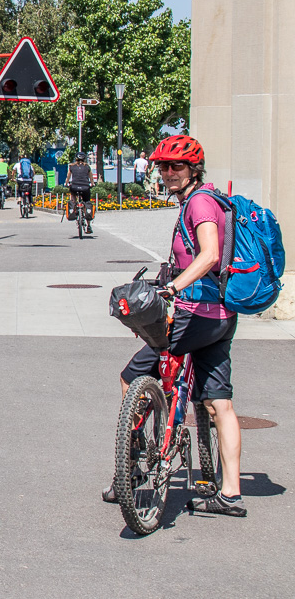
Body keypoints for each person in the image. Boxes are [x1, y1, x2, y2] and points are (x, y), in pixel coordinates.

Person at [103, 135, 245, 517]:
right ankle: (230, 494)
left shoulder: (199, 203)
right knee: (219, 403)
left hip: (195, 313)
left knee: (131, 377)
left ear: (193, 170)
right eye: (163, 166)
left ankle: (131, 468)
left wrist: (173, 287)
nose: (168, 173)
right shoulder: (209, 199)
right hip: (221, 316)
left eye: (176, 166)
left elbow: (210, 254)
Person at [66, 153, 93, 231]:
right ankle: (88, 226)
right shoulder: (87, 167)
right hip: (85, 187)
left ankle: (74, 207)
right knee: (87, 202)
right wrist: (92, 183)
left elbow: (68, 176)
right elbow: (91, 177)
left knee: (73, 196)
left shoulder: (71, 166)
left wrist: (66, 183)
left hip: (74, 187)